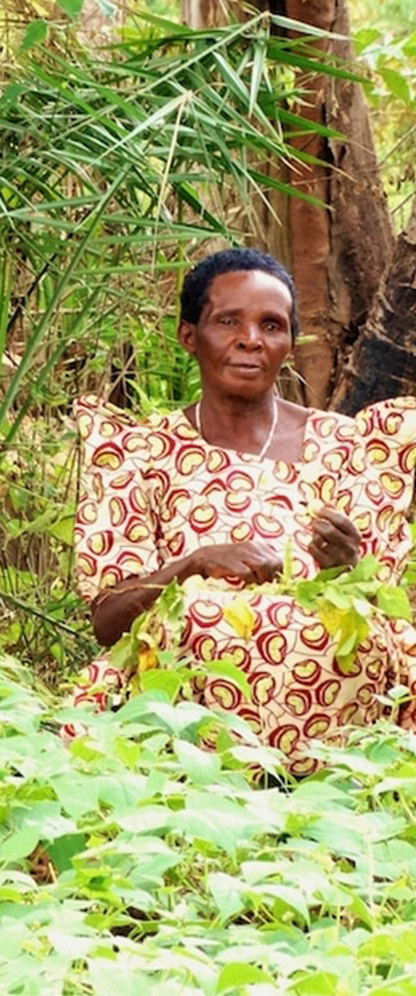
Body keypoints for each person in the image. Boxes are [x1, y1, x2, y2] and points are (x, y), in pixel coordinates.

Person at [72, 248, 416, 774]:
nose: (251, 339)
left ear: (288, 342)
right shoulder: (139, 454)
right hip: (189, 720)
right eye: (228, 321)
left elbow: (383, 617)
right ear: (190, 337)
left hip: (339, 707)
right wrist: (193, 565)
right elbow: (107, 623)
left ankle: (330, 780)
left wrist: (348, 569)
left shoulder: (350, 448)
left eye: (271, 325)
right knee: (207, 619)